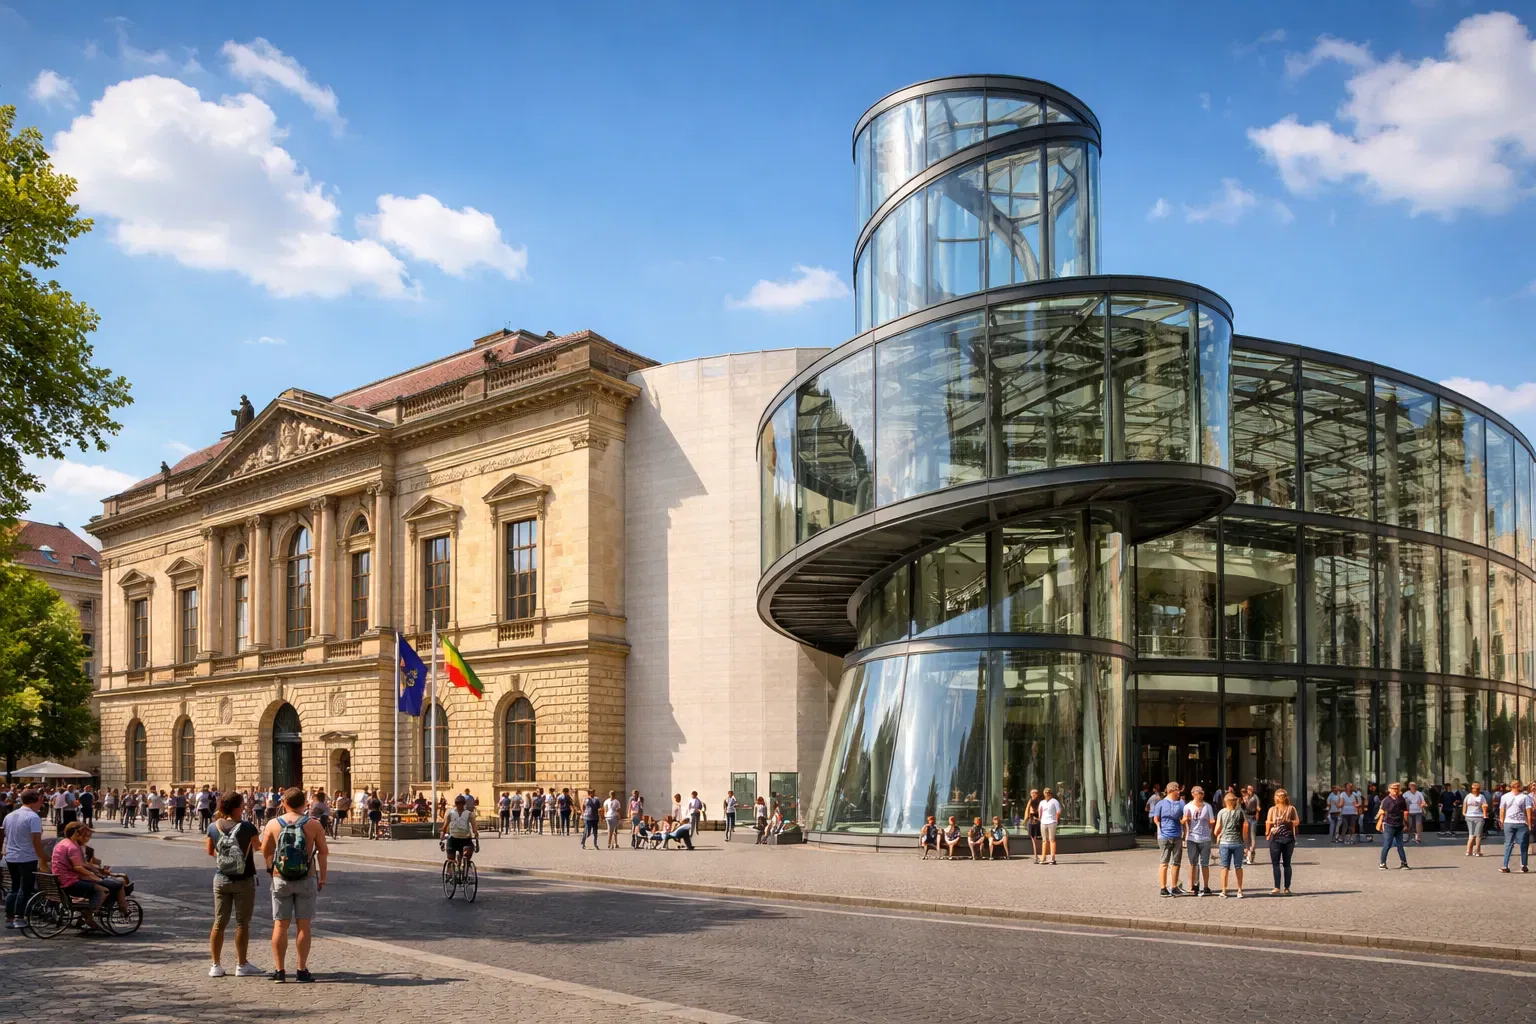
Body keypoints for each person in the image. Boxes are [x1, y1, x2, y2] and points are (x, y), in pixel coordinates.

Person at [260, 787, 328, 983]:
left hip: (280, 877)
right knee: (303, 926)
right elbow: (323, 852)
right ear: (304, 804)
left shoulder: (273, 824)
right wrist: (322, 877)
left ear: (284, 803)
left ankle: (280, 970)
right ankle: (301, 969)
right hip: (306, 877)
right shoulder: (313, 825)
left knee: (280, 924)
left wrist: (270, 870)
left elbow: (266, 851)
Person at [207, 792, 263, 978]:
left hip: (221, 878)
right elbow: (258, 846)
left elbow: (210, 851)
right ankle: (241, 964)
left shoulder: (213, 827)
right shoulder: (247, 827)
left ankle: (215, 965)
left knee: (219, 922)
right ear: (238, 807)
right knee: (242, 923)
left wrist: (226, 858)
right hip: (243, 879)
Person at [4, 789, 45, 930]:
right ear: (34, 801)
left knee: (14, 887)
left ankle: (9, 917)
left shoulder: (10, 815)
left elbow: (2, 834)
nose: (42, 803)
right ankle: (19, 917)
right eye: (40, 800)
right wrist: (43, 857)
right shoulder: (33, 818)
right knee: (25, 888)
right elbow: (36, 841)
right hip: (27, 857)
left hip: (11, 856)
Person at [1151, 781, 1186, 897]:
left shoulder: (1181, 804)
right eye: (1178, 790)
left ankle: (1174, 886)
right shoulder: (1161, 804)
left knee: (1176, 862)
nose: (1179, 792)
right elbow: (1156, 818)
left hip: (1177, 835)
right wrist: (1159, 828)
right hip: (1165, 836)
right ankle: (1163, 887)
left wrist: (1184, 826)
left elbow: (1183, 818)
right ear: (1172, 790)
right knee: (1164, 862)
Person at [1264, 788, 1300, 895]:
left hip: (1288, 838)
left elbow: (1297, 822)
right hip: (1276, 838)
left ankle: (1286, 887)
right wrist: (1268, 830)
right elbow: (1268, 821)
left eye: (1281, 796)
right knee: (1277, 864)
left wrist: (1288, 821)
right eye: (1279, 796)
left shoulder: (1291, 809)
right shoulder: (1272, 809)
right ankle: (1277, 887)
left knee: (1286, 863)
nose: (1280, 799)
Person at [1182, 786, 1215, 897]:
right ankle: (1192, 886)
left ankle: (1206, 886)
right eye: (1197, 793)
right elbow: (1185, 821)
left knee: (1204, 863)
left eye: (1201, 793)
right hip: (1192, 838)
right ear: (1193, 794)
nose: (1200, 795)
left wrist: (1211, 827)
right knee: (1192, 863)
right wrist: (1185, 834)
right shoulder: (1187, 806)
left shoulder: (1208, 806)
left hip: (1205, 838)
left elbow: (1212, 820)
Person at [1215, 791, 1248, 898]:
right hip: (1238, 842)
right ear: (1235, 802)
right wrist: (1245, 841)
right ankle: (1239, 890)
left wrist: (1218, 834)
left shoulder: (1221, 812)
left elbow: (1217, 829)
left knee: (1224, 867)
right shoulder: (1240, 812)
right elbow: (1245, 827)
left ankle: (1224, 890)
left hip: (1224, 842)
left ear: (1225, 801)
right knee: (1238, 867)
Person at [1497, 780, 1533, 874]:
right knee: (1508, 844)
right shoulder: (1505, 797)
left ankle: (1524, 865)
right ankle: (1505, 865)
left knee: (1523, 844)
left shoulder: (1525, 797)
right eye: (1518, 785)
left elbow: (1528, 811)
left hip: (1521, 823)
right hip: (1509, 822)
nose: (1520, 786)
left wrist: (1529, 823)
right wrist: (1501, 820)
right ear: (1513, 786)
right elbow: (1502, 809)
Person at [1376, 781, 1410, 871]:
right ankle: (1382, 863)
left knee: (1400, 845)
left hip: (1399, 825)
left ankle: (1404, 863)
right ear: (1389, 790)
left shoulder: (1401, 800)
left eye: (1397, 789)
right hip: (1389, 825)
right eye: (1393, 789)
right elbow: (1381, 812)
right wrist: (1380, 823)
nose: (1395, 790)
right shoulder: (1386, 800)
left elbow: (1405, 812)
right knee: (1387, 844)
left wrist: (1405, 824)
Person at [442, 795, 478, 875]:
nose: (460, 806)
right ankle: (451, 872)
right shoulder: (450, 813)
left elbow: (474, 826)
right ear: (456, 804)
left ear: (464, 804)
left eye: (462, 804)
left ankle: (463, 865)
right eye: (458, 804)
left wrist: (476, 834)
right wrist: (442, 836)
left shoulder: (469, 814)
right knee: (451, 858)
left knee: (467, 854)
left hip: (465, 839)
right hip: (453, 839)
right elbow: (445, 826)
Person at [1038, 787, 1062, 866]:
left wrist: (1056, 819)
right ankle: (1043, 857)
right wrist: (1040, 818)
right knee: (1044, 840)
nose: (1047, 794)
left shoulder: (1054, 801)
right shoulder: (1042, 802)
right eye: (1045, 793)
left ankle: (1052, 858)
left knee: (1051, 839)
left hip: (1051, 822)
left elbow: (1058, 811)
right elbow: (1040, 810)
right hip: (1043, 822)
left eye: (1048, 793)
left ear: (1050, 793)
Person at [1240, 785, 1261, 865]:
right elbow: (1241, 807)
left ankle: (1251, 854)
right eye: (1248, 789)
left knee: (1252, 836)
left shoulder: (1255, 797)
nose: (1249, 790)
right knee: (1245, 836)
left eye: (1250, 789)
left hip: (1252, 818)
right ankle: (1248, 854)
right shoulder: (1244, 797)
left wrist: (1257, 812)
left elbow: (1258, 807)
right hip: (1246, 818)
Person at [1024, 789, 1042, 864]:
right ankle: (1036, 856)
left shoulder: (1039, 802)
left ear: (1037, 794)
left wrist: (1038, 818)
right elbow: (1028, 812)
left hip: (1037, 823)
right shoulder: (1030, 801)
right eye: (1031, 793)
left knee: (1038, 840)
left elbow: (1040, 812)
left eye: (1034, 793)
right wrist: (1026, 821)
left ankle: (1039, 856)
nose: (1032, 795)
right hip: (1031, 823)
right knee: (1034, 841)